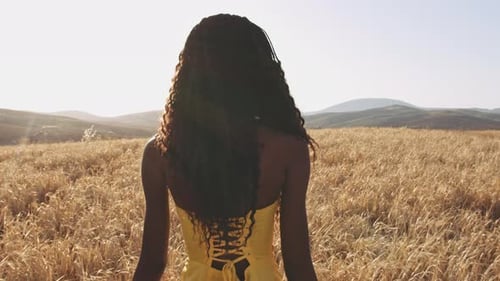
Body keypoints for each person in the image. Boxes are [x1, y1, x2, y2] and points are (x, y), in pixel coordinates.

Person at [133, 14, 318, 281]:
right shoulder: (289, 150)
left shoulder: (159, 153)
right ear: (257, 70)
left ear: (190, 72)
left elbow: (151, 264)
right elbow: (298, 266)